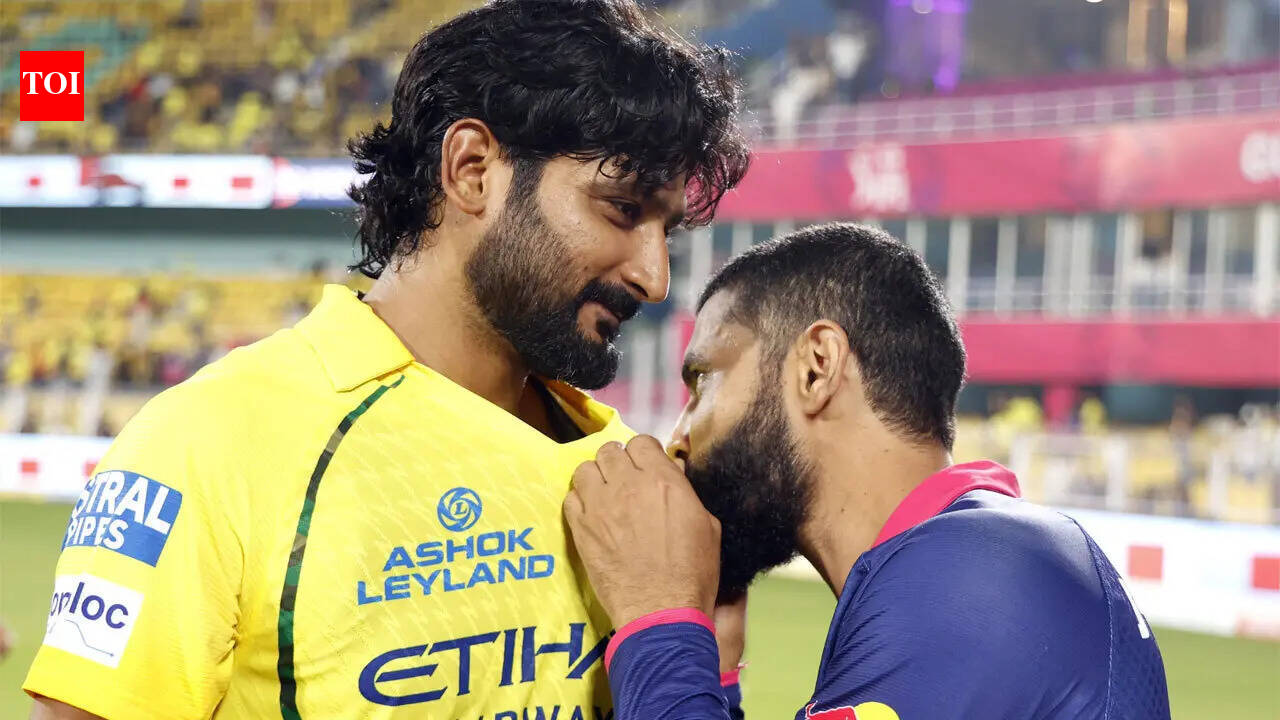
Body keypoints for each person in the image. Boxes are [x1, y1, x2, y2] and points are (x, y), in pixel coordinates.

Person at [24, 2, 749, 718]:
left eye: (668, 233)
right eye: (621, 208)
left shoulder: (632, 482)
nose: (655, 277)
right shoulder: (208, 444)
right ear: (471, 169)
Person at [564, 224, 1171, 720]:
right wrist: (713, 665)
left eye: (703, 382)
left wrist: (660, 617)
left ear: (816, 367)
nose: (679, 435)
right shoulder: (977, 555)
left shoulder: (967, 582)